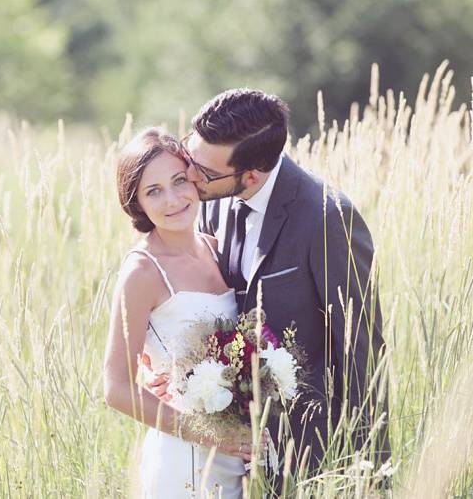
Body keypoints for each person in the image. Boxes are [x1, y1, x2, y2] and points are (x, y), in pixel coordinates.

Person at [166, 88, 392, 484]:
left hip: (308, 446)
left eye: (205, 172)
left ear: (251, 175)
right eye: (191, 153)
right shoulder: (210, 200)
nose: (189, 174)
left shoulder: (327, 218)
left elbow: (362, 351)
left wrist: (370, 474)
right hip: (229, 450)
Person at [102, 128, 251, 498]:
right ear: (137, 204)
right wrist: (211, 434)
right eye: (154, 191)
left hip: (238, 456)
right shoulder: (142, 271)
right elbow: (116, 388)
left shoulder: (216, 248)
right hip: (184, 458)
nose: (173, 199)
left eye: (179, 181)